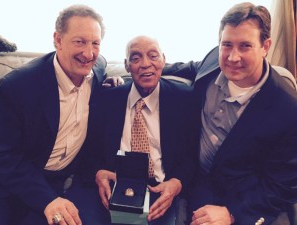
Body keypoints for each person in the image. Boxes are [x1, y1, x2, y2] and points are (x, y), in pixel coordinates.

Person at [163, 2, 297, 225]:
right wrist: (150, 69)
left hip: (243, 194)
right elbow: (191, 67)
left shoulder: (287, 109)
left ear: (265, 47)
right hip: (197, 180)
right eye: (227, 45)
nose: (233, 57)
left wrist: (232, 212)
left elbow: (282, 184)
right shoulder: (214, 59)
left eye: (245, 46)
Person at [0, 4, 121, 225]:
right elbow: (4, 156)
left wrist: (115, 82)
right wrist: (47, 200)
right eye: (79, 42)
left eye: (95, 43)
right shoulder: (16, 86)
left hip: (67, 178)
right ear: (58, 40)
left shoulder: (98, 69)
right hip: (17, 180)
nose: (89, 53)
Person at [83, 35, 197, 225]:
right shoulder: (107, 99)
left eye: (153, 56)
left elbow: (192, 156)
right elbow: (88, 151)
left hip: (160, 189)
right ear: (127, 65)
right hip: (113, 186)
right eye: (136, 58)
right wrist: (98, 172)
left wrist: (177, 183)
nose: (145, 64)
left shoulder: (184, 99)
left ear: (163, 59)